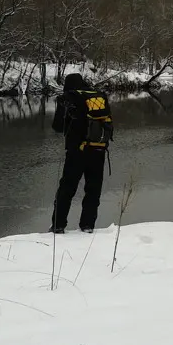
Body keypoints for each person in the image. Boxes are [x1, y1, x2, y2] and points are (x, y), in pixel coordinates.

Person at [50, 72, 114, 234]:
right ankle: (87, 226)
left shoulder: (69, 98)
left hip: (77, 152)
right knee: (93, 189)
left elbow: (58, 127)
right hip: (98, 150)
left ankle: (58, 226)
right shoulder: (98, 96)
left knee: (67, 189)